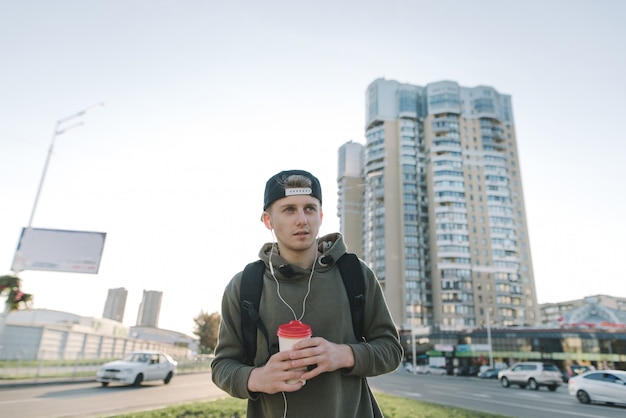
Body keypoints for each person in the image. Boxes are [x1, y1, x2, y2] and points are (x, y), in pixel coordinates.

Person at [211, 169, 403, 418]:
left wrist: (343, 354)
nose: (302, 219)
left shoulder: (355, 274)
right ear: (268, 220)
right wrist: (256, 378)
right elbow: (221, 366)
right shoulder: (244, 286)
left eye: (309, 209)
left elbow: (391, 350)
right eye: (289, 209)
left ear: (321, 216)